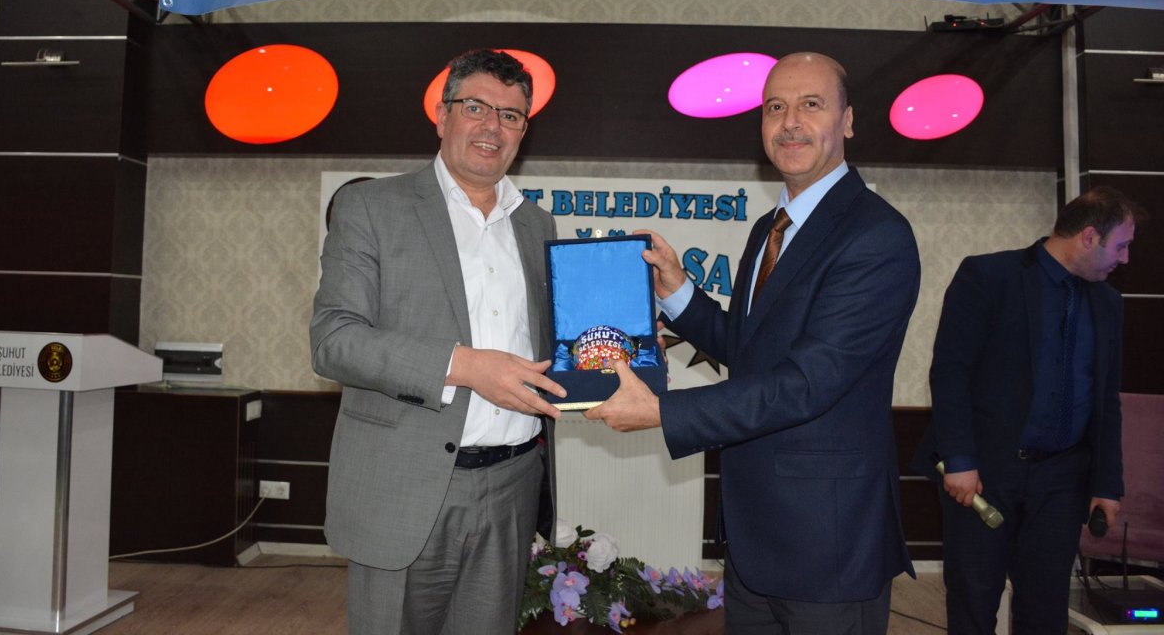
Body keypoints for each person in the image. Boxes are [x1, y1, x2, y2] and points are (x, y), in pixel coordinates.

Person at [586, 51, 921, 634]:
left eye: (811, 104)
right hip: (753, 540)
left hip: (829, 547)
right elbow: (752, 352)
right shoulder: (770, 229)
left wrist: (663, 411)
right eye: (775, 108)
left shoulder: (876, 235)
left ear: (847, 121)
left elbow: (807, 382)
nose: (790, 122)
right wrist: (678, 292)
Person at [310, 48, 565, 635]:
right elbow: (333, 340)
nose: (492, 126)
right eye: (475, 107)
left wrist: (613, 348)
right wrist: (464, 366)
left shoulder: (536, 224)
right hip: (406, 484)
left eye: (510, 115)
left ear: (523, 130)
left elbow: (550, 343)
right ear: (442, 114)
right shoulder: (372, 207)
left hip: (512, 486)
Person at [911, 186, 1144, 634]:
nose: (1126, 258)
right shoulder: (988, 276)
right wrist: (959, 458)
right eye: (1122, 245)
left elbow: (1106, 400)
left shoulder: (1107, 303)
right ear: (1089, 237)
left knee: (1045, 608)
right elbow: (951, 372)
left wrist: (1107, 485)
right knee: (974, 602)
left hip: (1062, 479)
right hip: (984, 474)